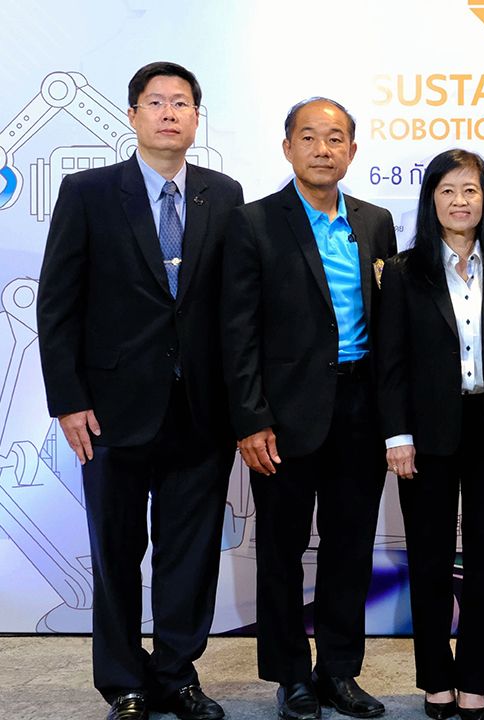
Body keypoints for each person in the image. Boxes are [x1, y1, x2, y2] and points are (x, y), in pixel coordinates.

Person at [36, 61, 242, 720]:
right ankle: (124, 682)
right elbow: (58, 304)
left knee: (190, 557)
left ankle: (178, 675)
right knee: (116, 554)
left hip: (202, 413)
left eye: (181, 102)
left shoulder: (224, 194)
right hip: (110, 413)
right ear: (132, 116)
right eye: (155, 102)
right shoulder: (89, 191)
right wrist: (68, 399)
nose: (169, 113)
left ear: (196, 118)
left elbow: (235, 309)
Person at [222, 97, 397, 720]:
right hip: (282, 414)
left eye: (336, 139)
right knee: (281, 548)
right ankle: (292, 677)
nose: (323, 150)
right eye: (310, 138)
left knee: (351, 547)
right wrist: (250, 417)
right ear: (287, 147)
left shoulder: (375, 222)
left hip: (361, 408)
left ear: (352, 150)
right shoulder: (253, 223)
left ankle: (340, 673)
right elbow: (235, 331)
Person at [377, 149, 484, 720]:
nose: (459, 201)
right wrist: (396, 435)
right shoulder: (402, 271)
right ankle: (435, 682)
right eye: (447, 191)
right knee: (427, 558)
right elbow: (390, 363)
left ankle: (476, 681)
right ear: (430, 201)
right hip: (424, 434)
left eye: (470, 190)